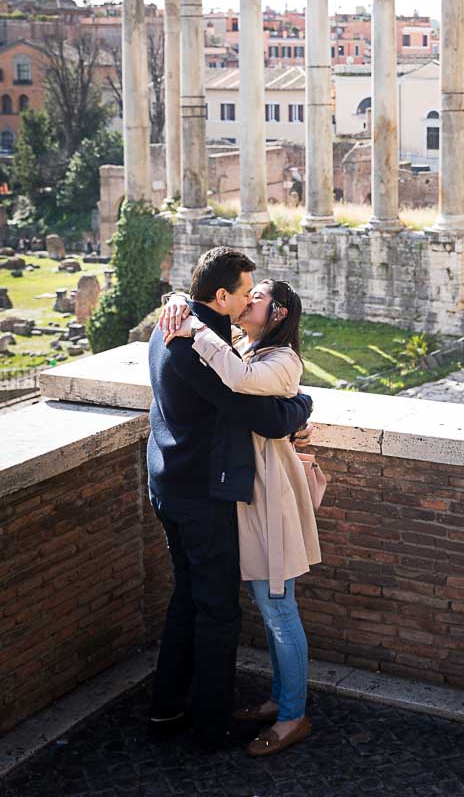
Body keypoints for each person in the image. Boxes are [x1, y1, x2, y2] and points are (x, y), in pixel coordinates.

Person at [147, 247, 313, 752]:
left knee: (187, 598)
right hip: (200, 494)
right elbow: (259, 415)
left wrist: (176, 297)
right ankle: (209, 727)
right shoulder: (196, 342)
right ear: (222, 295)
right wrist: (304, 404)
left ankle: (166, 705)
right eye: (245, 294)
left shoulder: (168, 326)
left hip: (168, 483)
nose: (246, 304)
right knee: (217, 611)